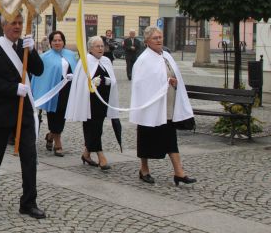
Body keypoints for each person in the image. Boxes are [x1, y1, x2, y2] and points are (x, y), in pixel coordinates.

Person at [0, 12, 45, 218]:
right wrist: (13, 88)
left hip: (24, 112)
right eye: (13, 23)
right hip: (1, 110)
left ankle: (28, 202)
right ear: (4, 26)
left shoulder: (25, 45)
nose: (17, 26)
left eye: (20, 23)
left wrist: (32, 51)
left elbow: (38, 70)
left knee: (30, 157)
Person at [130, 26, 196, 186]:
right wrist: (162, 84)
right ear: (147, 41)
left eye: (160, 37)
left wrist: (174, 82)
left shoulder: (166, 55)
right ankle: (144, 169)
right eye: (155, 38)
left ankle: (179, 172)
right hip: (151, 107)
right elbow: (140, 84)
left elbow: (174, 75)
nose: (159, 40)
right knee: (146, 136)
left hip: (168, 105)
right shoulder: (143, 59)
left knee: (170, 137)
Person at [65, 36, 119, 170]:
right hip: (89, 101)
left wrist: (108, 81)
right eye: (97, 46)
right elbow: (81, 81)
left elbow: (113, 80)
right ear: (90, 48)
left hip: (103, 101)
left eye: (102, 46)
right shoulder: (86, 61)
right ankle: (101, 156)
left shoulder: (106, 61)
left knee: (97, 128)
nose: (101, 48)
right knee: (92, 127)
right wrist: (91, 83)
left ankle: (86, 154)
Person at [31, 31, 78, 157]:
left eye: (60, 40)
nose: (57, 43)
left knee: (62, 114)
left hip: (67, 90)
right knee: (54, 115)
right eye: (54, 40)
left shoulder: (71, 55)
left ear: (64, 42)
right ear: (50, 43)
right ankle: (58, 143)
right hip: (52, 90)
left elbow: (77, 69)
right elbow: (40, 75)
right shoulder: (45, 57)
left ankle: (50, 135)